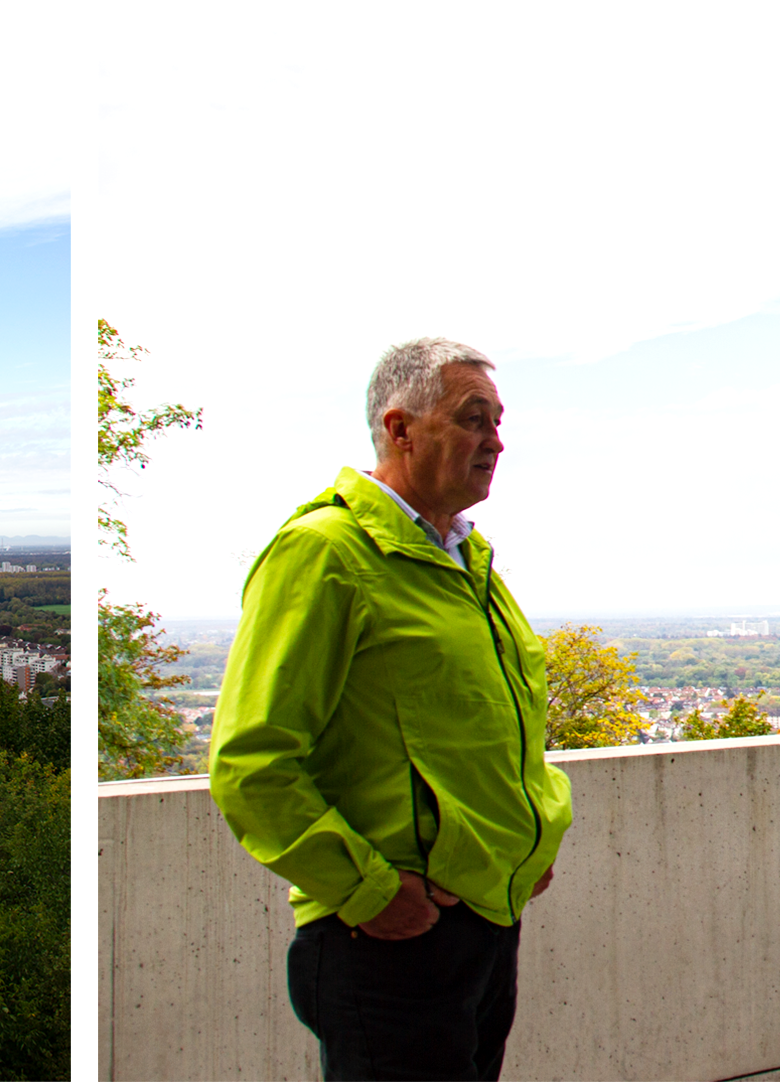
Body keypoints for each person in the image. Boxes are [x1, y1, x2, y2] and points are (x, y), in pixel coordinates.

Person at [208, 338, 572, 1082]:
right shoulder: (325, 552)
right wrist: (369, 891)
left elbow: (497, 732)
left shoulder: (466, 562)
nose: (495, 441)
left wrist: (527, 843)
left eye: (498, 422)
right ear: (400, 428)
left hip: (482, 922)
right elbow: (250, 762)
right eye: (474, 419)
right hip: (386, 938)